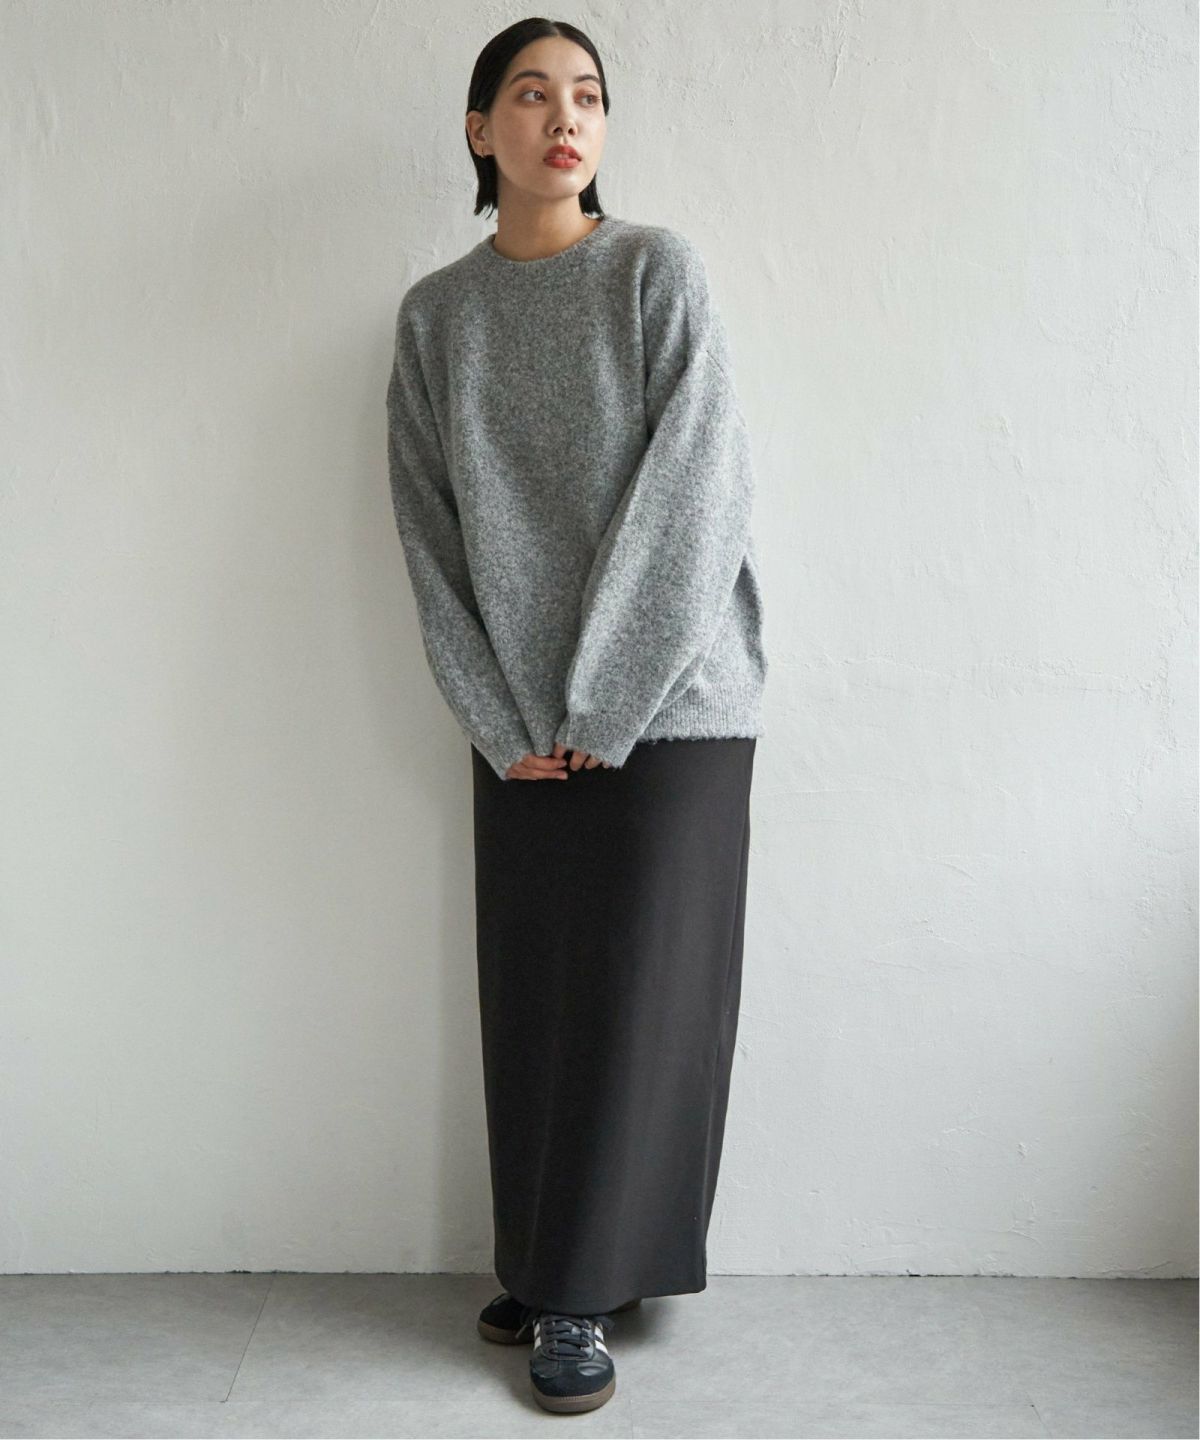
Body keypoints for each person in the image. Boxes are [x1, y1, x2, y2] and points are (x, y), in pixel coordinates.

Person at [385, 16, 769, 1416]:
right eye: (533, 94)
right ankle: (557, 1256)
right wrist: (499, 718)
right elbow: (428, 531)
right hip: (523, 723)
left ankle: (578, 1297)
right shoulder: (438, 317)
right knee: (540, 996)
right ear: (478, 129)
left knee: (639, 998)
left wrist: (608, 700)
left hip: (673, 709)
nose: (566, 117)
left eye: (589, 96)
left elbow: (700, 494)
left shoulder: (655, 272)